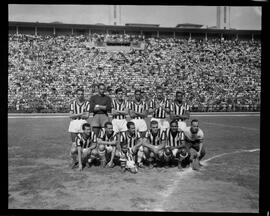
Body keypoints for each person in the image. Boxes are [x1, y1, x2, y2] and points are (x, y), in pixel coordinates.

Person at [68, 88, 90, 160]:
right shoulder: (72, 103)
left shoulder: (87, 103)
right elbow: (70, 116)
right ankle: (73, 159)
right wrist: (81, 113)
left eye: (81, 94)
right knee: (74, 144)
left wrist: (75, 114)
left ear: (83, 95)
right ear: (76, 95)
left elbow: (87, 116)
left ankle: (83, 159)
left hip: (83, 123)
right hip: (74, 124)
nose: (80, 95)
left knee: (83, 143)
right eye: (79, 94)